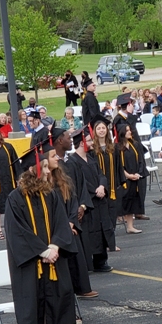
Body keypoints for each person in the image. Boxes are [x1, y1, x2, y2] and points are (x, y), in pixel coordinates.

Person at [5, 142, 76, 324]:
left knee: (54, 300)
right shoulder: (15, 198)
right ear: (32, 170)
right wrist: (41, 250)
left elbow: (61, 223)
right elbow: (17, 232)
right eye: (44, 167)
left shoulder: (51, 195)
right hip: (29, 263)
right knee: (32, 302)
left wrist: (54, 247)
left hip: (52, 260)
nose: (47, 171)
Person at [50, 128, 97, 301]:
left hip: (74, 212)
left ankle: (82, 287)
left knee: (78, 253)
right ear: (59, 140)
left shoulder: (71, 163)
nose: (71, 140)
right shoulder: (53, 166)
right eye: (68, 137)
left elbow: (80, 187)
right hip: (62, 218)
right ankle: (72, 289)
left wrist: (82, 206)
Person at [67, 125, 113, 273]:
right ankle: (89, 262)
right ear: (82, 143)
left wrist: (102, 186)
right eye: (89, 140)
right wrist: (94, 191)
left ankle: (101, 260)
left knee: (101, 230)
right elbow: (79, 184)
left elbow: (101, 174)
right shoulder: (72, 162)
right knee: (90, 233)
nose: (92, 143)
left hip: (100, 200)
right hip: (87, 203)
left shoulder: (91, 158)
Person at [89, 114, 122, 254]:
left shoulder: (113, 147)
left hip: (112, 187)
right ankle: (105, 243)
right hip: (99, 187)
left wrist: (120, 183)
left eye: (103, 128)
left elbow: (118, 166)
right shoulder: (91, 150)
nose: (101, 130)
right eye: (99, 128)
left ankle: (111, 243)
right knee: (102, 217)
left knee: (112, 214)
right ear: (95, 131)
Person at [116, 122, 146, 234]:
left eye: (130, 130)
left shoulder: (135, 144)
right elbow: (118, 165)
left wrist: (138, 173)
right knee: (124, 201)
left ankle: (130, 226)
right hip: (124, 179)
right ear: (122, 132)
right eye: (127, 130)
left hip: (135, 178)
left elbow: (141, 160)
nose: (130, 132)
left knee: (132, 201)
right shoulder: (117, 147)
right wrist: (128, 175)